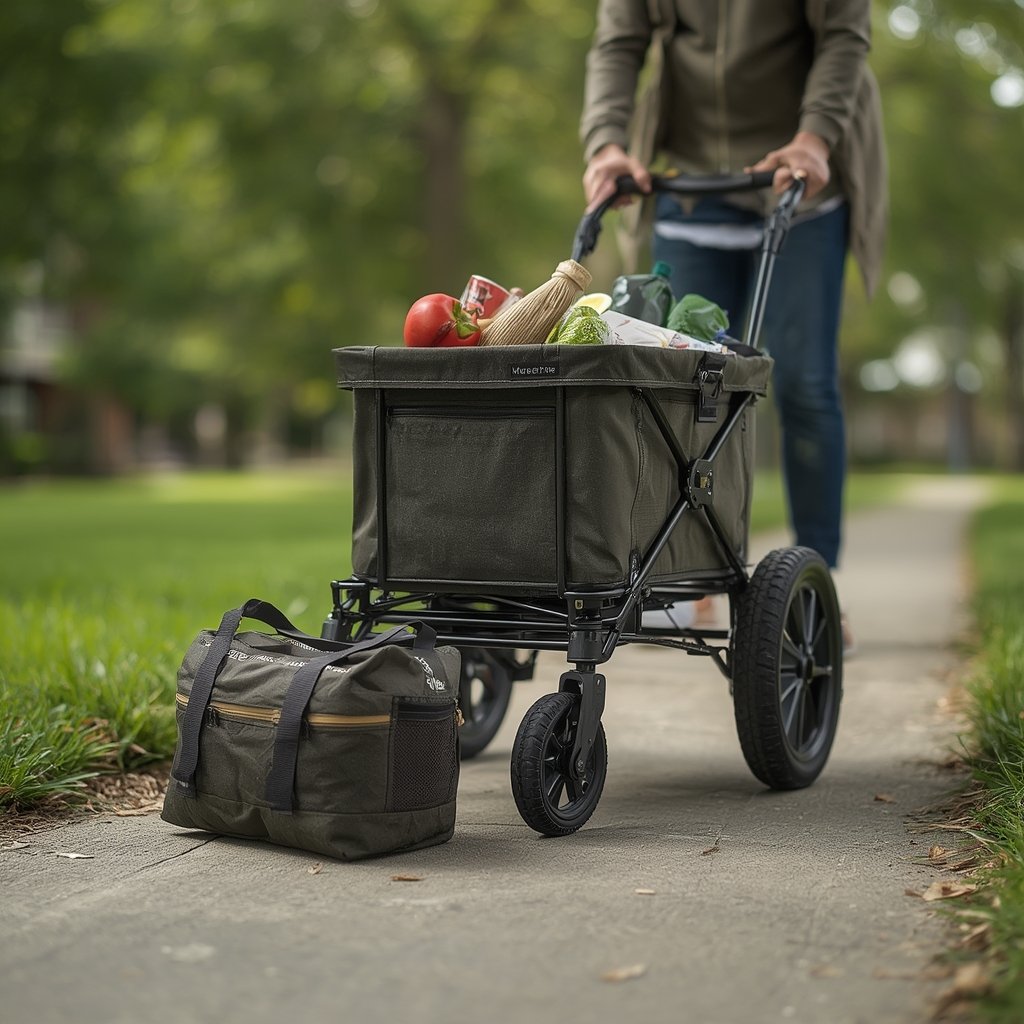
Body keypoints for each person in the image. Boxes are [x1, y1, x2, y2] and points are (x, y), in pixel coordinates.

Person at [580, 0, 887, 649]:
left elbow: (844, 35)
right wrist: (606, 142)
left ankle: (815, 588)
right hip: (690, 185)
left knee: (803, 384)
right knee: (685, 393)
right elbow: (618, 44)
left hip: (801, 179)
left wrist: (816, 136)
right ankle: (689, 585)